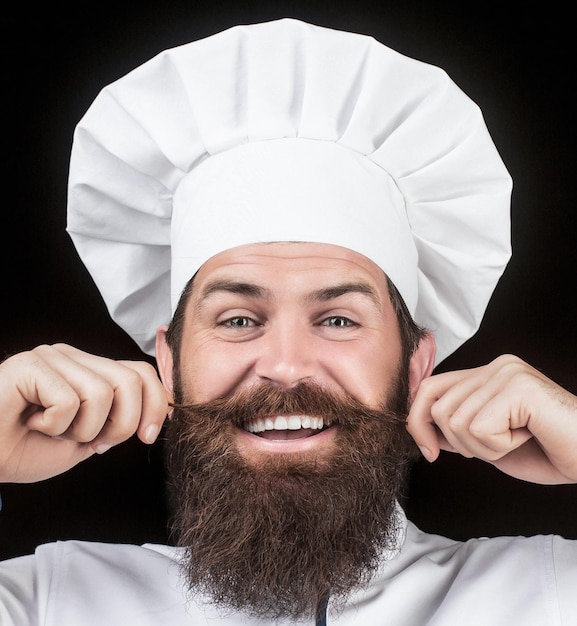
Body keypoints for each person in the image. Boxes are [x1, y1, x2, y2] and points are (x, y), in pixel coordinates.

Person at [1, 18, 576, 625]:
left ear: (416, 365)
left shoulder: (550, 595)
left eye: (337, 321)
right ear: (168, 362)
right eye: (240, 319)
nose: (285, 365)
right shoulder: (46, 601)